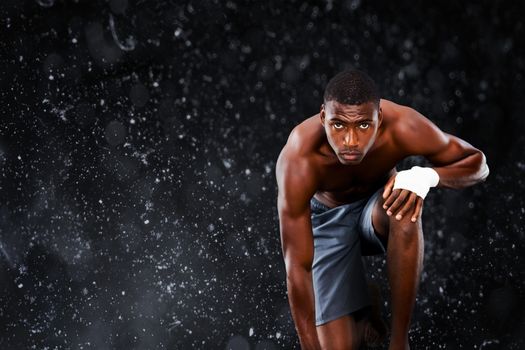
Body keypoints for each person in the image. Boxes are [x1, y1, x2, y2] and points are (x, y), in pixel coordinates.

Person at [275, 69, 489, 350]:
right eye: (339, 125)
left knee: (406, 202)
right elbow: (297, 268)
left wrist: (427, 177)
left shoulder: (403, 126)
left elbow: (477, 162)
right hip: (326, 221)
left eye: (363, 126)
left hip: (378, 209)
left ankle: (401, 340)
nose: (350, 141)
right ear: (323, 117)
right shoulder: (299, 157)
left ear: (380, 119)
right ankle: (365, 307)